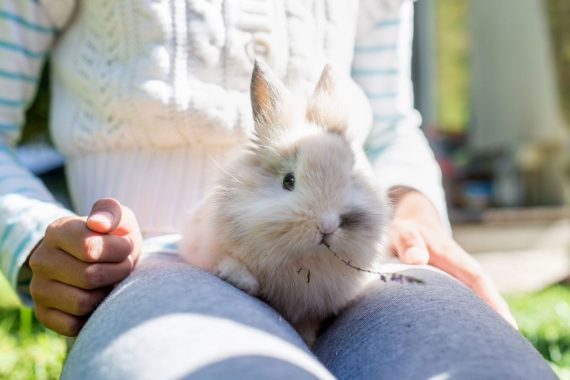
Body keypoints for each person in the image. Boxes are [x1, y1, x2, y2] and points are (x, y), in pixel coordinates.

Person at [0, 0, 554, 378]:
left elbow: (387, 124)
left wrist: (414, 208)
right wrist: (38, 236)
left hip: (356, 266)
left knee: (471, 359)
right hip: (160, 260)